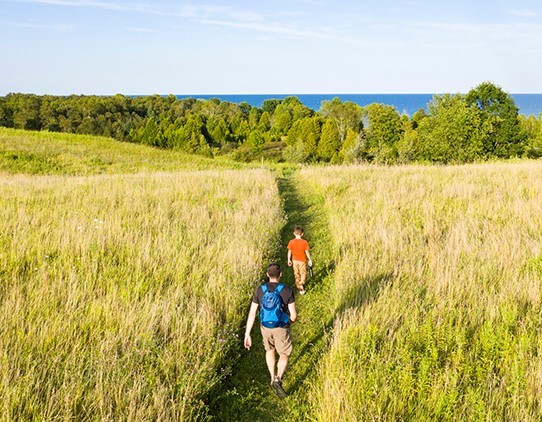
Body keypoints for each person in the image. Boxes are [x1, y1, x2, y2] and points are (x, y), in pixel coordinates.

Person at [244, 263, 297, 397]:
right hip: (281, 326)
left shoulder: (259, 290)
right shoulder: (287, 290)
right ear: (280, 275)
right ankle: (278, 378)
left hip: (265, 327)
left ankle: (272, 376)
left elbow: (252, 313)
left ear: (267, 275)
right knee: (284, 354)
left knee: (269, 350)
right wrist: (288, 323)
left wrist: (247, 334)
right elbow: (294, 316)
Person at [287, 225, 313, 294]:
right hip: (302, 260)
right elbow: (306, 251)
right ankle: (302, 284)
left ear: (294, 233)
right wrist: (310, 259)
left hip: (294, 260)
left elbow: (289, 251)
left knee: (296, 273)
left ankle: (298, 285)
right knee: (303, 273)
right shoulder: (304, 242)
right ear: (302, 234)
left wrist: (289, 260)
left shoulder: (291, 242)